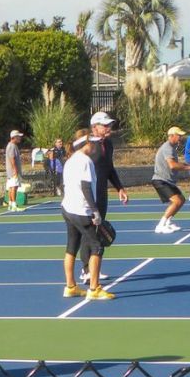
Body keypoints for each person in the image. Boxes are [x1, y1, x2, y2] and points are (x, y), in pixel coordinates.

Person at [61, 134, 114, 301]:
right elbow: (86, 187)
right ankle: (94, 288)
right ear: (86, 144)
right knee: (97, 247)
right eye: (94, 143)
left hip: (68, 208)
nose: (96, 147)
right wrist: (95, 211)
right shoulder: (85, 161)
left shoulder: (70, 160)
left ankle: (70, 287)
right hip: (81, 210)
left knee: (72, 246)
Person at [77, 112, 128, 284]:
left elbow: (109, 168)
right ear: (94, 127)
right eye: (104, 125)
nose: (108, 128)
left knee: (98, 231)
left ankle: (93, 268)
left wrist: (120, 188)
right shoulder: (87, 146)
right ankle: (86, 270)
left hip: (102, 194)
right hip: (88, 195)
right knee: (89, 232)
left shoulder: (108, 144)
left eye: (109, 125)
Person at [151, 127, 189, 233]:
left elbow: (175, 164)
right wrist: (188, 167)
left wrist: (188, 165)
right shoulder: (167, 147)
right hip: (161, 180)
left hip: (168, 181)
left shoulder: (172, 148)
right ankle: (160, 226)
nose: (180, 138)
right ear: (172, 136)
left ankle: (168, 222)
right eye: (179, 135)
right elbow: (173, 165)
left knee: (181, 200)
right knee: (177, 201)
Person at [5, 129, 25, 212]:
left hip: (11, 171)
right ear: (14, 137)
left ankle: (10, 204)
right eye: (18, 136)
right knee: (14, 187)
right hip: (13, 171)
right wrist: (15, 170)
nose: (20, 138)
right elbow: (12, 158)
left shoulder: (12, 145)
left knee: (11, 187)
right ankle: (13, 205)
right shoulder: (12, 146)